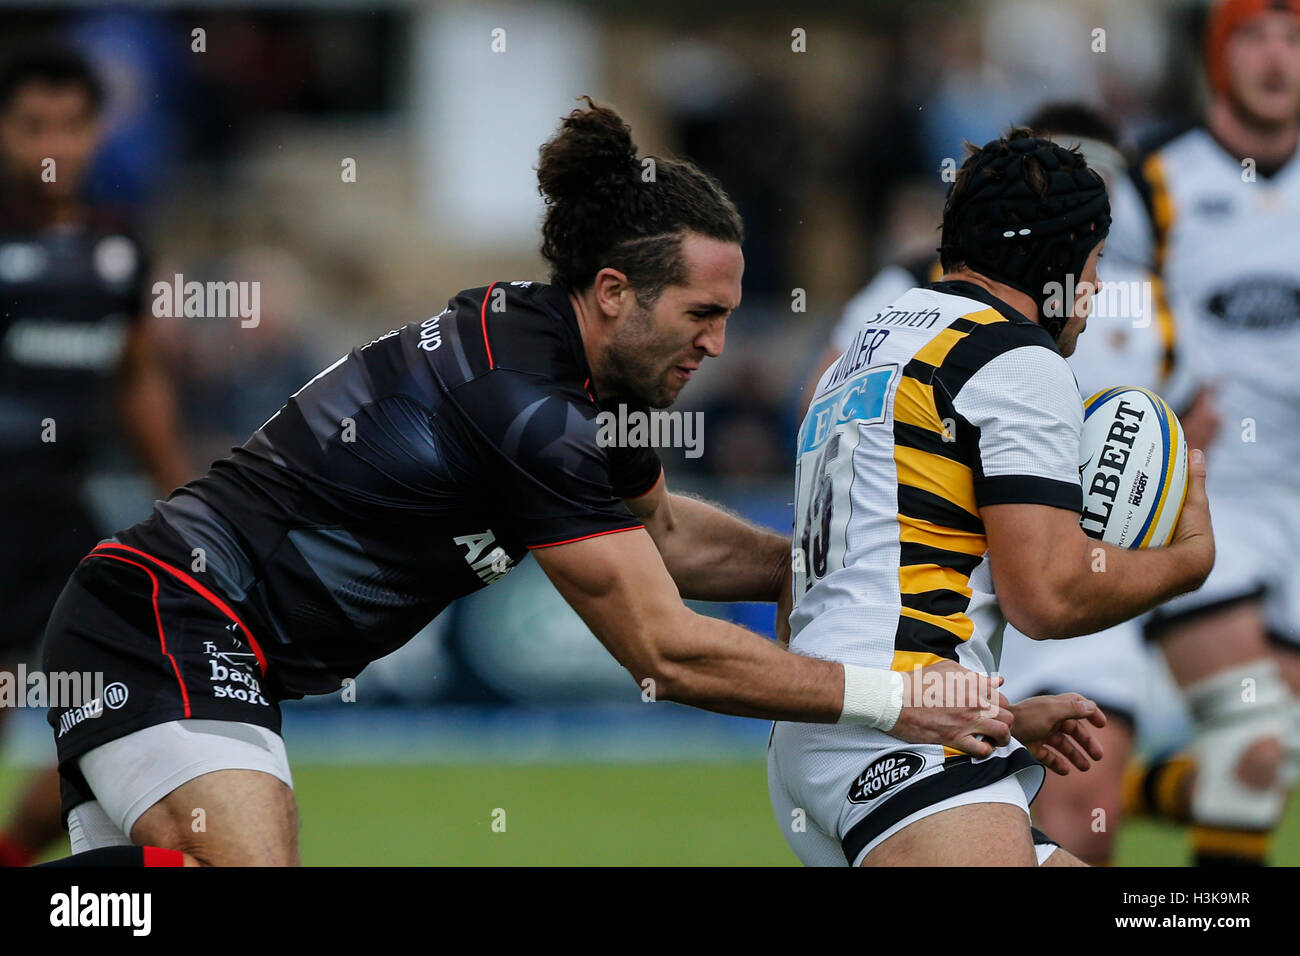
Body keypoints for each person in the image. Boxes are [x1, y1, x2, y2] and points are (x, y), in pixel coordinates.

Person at [36, 100, 1074, 868]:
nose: (719, 343)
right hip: (173, 614)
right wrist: (902, 697)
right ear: (615, 291)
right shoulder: (529, 408)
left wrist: (842, 556)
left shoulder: (564, 363)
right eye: (700, 315)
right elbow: (666, 648)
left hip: (203, 636)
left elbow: (664, 533)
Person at [768, 128, 1215, 867]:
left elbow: (832, 588)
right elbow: (1047, 596)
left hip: (835, 724)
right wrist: (1187, 563)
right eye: (1093, 261)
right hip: (899, 734)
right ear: (1055, 260)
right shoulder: (1012, 356)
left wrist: (996, 712)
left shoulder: (869, 342)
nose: (1097, 287)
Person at [1112, 0, 1300, 866]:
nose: (1276, 58)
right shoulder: (1154, 176)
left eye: (1294, 39)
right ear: (1220, 57)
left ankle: (1102, 790)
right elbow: (1098, 320)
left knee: (1270, 755)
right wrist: (1159, 404)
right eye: (1254, 37)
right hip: (1203, 496)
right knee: (1255, 736)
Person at [0, 48, 189, 867]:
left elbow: (138, 381)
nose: (54, 146)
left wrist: (185, 507)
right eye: (32, 126)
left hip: (65, 526)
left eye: (71, 126)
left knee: (119, 713)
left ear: (96, 129)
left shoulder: (118, 246)